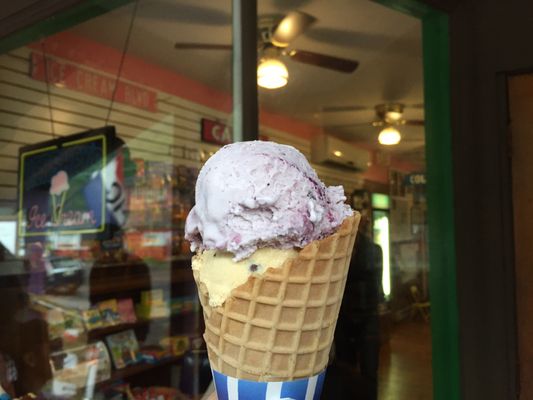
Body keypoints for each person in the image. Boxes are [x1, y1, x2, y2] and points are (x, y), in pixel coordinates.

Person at [332, 211, 384, 400]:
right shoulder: (348, 250)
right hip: (354, 316)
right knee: (359, 369)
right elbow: (376, 284)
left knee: (356, 368)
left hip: (357, 315)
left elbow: (374, 281)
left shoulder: (363, 250)